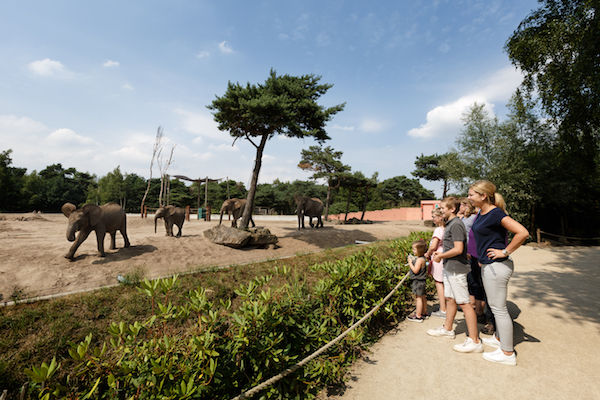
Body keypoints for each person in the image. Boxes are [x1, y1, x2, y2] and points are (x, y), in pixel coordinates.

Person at [468, 180, 529, 366]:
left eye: (471, 194)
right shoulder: (481, 213)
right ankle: (499, 340)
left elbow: (522, 233)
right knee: (497, 307)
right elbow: (485, 239)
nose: (468, 197)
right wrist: (481, 258)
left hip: (498, 266)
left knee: (499, 309)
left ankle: (507, 353)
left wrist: (505, 251)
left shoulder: (495, 213)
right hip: (489, 265)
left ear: (483, 195)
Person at [427, 197, 482, 353]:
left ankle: (474, 340)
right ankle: (448, 328)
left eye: (443, 208)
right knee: (450, 299)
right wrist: (442, 254)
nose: (440, 210)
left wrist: (441, 256)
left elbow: (458, 249)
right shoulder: (451, 223)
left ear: (452, 209)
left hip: (456, 268)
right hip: (450, 267)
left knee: (464, 303)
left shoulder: (456, 225)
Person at [460, 198, 486, 320]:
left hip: (473, 254)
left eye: (462, 205)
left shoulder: (474, 218)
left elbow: (475, 236)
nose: (460, 206)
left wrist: (471, 250)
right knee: (470, 281)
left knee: (476, 282)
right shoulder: (463, 218)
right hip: (465, 254)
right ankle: (472, 308)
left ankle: (479, 310)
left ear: (467, 206)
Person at [425, 208, 446, 318]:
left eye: (434, 217)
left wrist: (427, 253)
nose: (432, 219)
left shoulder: (438, 230)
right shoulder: (447, 228)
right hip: (445, 256)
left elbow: (433, 246)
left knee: (439, 283)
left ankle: (443, 309)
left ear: (440, 217)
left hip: (438, 258)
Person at [407, 239, 428, 322]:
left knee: (418, 298)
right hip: (422, 281)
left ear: (419, 251)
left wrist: (410, 263)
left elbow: (415, 270)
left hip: (418, 281)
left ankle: (418, 316)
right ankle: (424, 312)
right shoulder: (422, 258)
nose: (413, 251)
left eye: (414, 249)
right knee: (422, 297)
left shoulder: (419, 260)